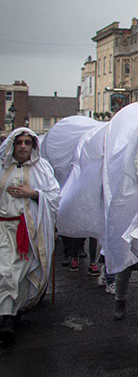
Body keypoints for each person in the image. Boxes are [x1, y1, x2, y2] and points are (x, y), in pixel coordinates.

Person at [0, 128, 60, 345]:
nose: (23, 147)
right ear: (12, 145)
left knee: (19, 273)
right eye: (19, 143)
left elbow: (54, 196)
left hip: (28, 231)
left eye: (27, 143)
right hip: (3, 231)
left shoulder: (41, 169)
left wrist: (33, 194)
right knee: (5, 272)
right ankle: (6, 318)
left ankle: (12, 313)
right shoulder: (2, 167)